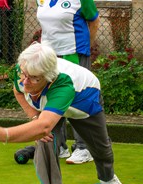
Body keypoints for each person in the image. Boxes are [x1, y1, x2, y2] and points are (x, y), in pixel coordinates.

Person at [0, 42, 124, 184]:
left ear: (48, 77)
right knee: (44, 140)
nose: (25, 82)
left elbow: (44, 126)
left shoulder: (63, 84)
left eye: (34, 78)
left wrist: (4, 134)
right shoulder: (23, 69)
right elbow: (18, 91)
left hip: (83, 102)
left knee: (101, 150)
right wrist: (34, 117)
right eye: (24, 75)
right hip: (49, 102)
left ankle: (108, 179)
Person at [36, 0, 100, 163]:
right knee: (53, 97)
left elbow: (94, 21)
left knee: (77, 99)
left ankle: (84, 148)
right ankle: (59, 145)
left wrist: (85, 47)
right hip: (50, 56)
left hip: (74, 53)